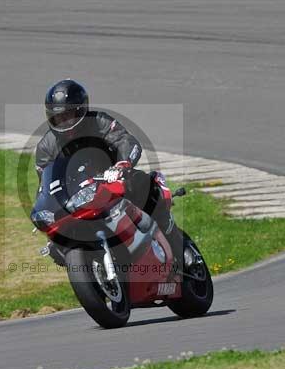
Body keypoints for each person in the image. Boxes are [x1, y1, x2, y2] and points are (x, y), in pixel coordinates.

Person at [35, 78, 187, 268]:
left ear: (82, 110)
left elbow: (126, 141)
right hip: (80, 198)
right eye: (59, 118)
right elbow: (45, 185)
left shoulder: (99, 122)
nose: (64, 122)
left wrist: (122, 165)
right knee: (58, 245)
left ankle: (174, 241)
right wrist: (46, 210)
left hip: (113, 180)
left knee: (142, 185)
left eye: (69, 116)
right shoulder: (46, 147)